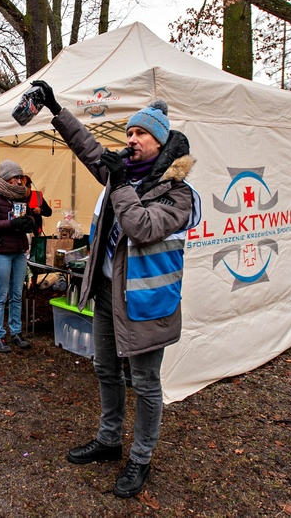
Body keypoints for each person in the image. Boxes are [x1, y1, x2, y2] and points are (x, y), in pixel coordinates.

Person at [30, 80, 199, 499]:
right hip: (107, 293)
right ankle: (109, 440)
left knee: (144, 382)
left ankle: (141, 458)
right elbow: (88, 148)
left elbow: (141, 228)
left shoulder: (179, 194)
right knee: (105, 369)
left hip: (147, 303)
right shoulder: (121, 174)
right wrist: (56, 109)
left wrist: (121, 185)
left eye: (140, 133)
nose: (131, 139)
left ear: (161, 142)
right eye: (129, 132)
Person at [0, 160, 34, 353]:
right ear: (5, 177)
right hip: (0, 252)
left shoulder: (21, 195)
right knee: (1, 295)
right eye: (15, 177)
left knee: (17, 294)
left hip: (19, 250)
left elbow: (27, 216)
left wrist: (29, 222)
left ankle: (16, 332)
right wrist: (11, 224)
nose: (19, 181)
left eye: (21, 177)